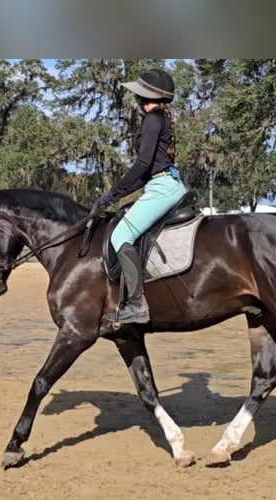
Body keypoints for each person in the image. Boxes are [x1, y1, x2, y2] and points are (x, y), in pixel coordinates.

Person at [91, 68, 188, 325]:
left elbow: (143, 163)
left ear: (143, 96)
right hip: (166, 184)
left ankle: (137, 304)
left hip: (162, 187)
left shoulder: (152, 120)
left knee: (120, 235)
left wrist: (113, 193)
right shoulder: (160, 118)